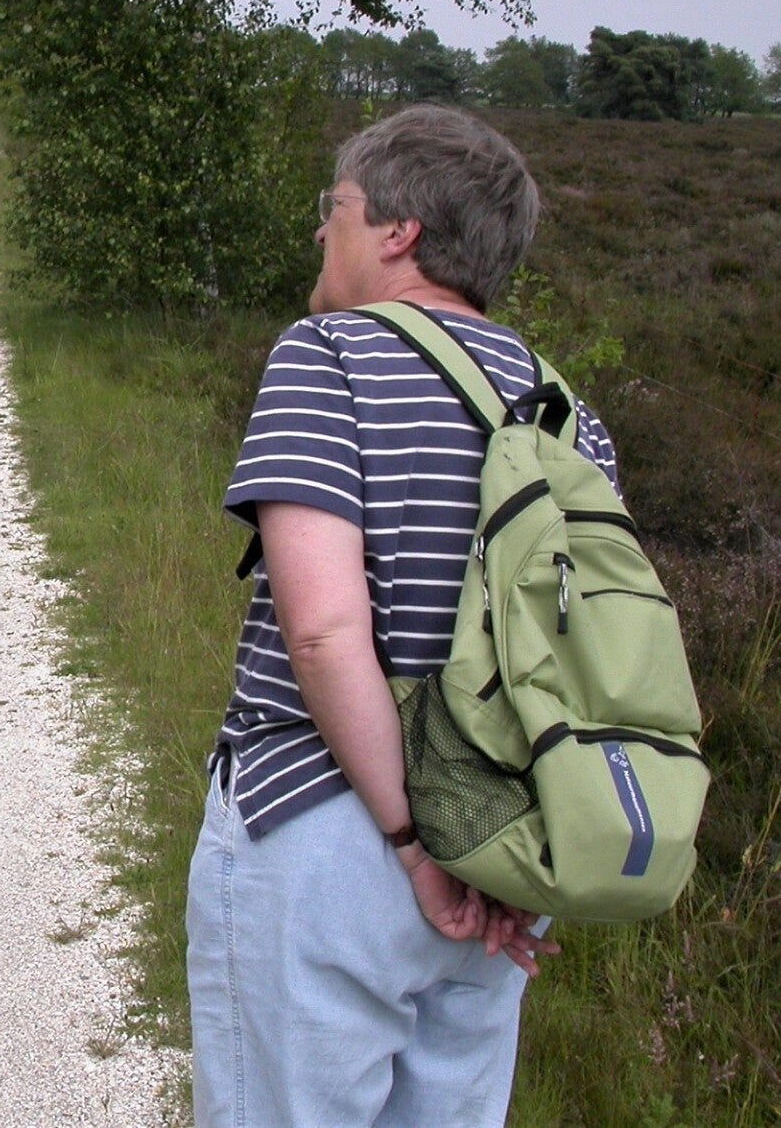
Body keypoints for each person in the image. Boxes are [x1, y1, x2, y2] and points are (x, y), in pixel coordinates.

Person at [186, 104, 616, 1126]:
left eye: (333, 206)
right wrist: (488, 853)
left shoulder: (328, 353)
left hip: (326, 823)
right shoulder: (564, 411)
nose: (318, 228)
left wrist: (414, 843)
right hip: (503, 854)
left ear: (396, 232)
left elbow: (324, 631)